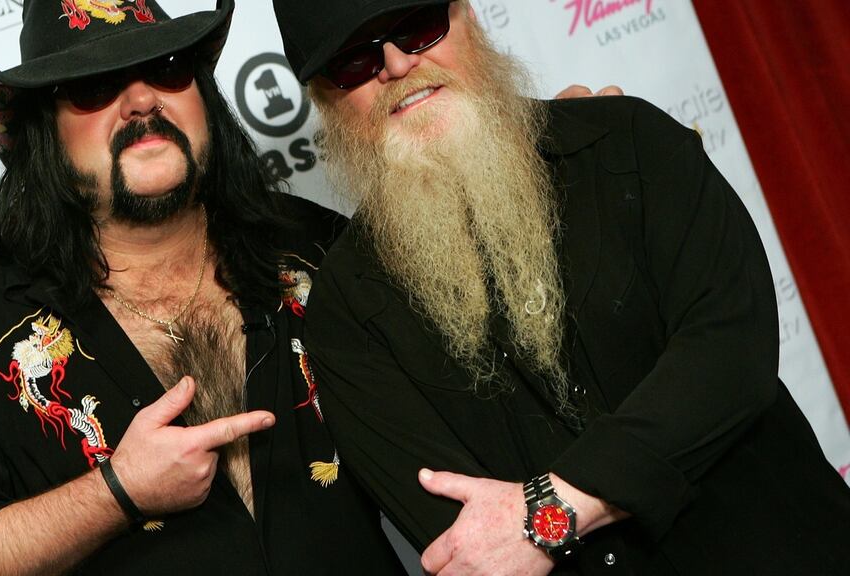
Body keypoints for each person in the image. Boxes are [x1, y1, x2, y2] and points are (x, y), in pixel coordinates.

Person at [270, 0, 850, 574]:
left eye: (416, 28)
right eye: (353, 62)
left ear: (468, 18)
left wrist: (553, 508)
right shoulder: (347, 316)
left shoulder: (630, 143)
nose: (396, 66)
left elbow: (730, 353)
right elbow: (468, 542)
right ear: (325, 100)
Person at [0, 1, 410, 574]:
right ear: (46, 130)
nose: (141, 100)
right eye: (94, 86)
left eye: (166, 68)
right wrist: (117, 492)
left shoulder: (319, 250)